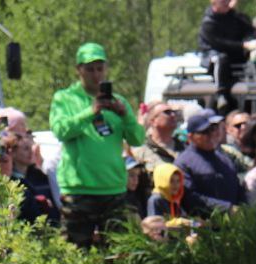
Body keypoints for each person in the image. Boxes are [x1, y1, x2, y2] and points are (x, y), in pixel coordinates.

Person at [50, 43, 146, 247]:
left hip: (113, 188)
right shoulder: (64, 98)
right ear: (79, 70)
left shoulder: (118, 101)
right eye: (90, 69)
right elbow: (60, 130)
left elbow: (137, 139)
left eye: (100, 68)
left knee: (119, 253)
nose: (96, 74)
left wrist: (126, 115)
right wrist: (90, 112)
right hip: (79, 189)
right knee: (74, 252)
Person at [175, 110, 245, 216]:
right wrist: (226, 208)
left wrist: (243, 208)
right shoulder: (184, 162)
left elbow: (237, 188)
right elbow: (190, 198)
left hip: (233, 223)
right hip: (204, 225)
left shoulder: (224, 159)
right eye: (204, 132)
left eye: (212, 130)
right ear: (190, 136)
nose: (210, 135)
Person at [199, 0, 256, 109]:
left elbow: (250, 31)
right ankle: (220, 93)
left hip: (235, 55)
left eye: (228, 0)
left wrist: (251, 42)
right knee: (221, 59)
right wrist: (243, 45)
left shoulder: (235, 18)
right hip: (213, 55)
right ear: (214, 3)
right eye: (223, 1)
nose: (227, 3)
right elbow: (219, 43)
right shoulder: (208, 22)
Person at [134, 102, 185, 176]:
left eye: (174, 112)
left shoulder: (184, 148)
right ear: (153, 121)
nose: (173, 115)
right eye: (167, 112)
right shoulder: (141, 150)